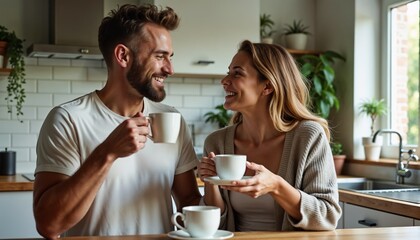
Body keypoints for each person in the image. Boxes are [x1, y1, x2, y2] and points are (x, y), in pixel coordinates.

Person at [33, 4, 201, 238]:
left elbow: (189, 201)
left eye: (170, 57)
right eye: (159, 56)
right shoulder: (68, 119)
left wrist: (217, 185)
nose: (170, 69)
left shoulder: (171, 120)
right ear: (123, 56)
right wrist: (107, 153)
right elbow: (49, 225)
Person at [197, 40, 341, 231]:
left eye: (237, 73)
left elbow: (327, 216)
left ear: (267, 86)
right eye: (228, 72)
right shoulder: (217, 142)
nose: (225, 81)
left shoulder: (308, 136)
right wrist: (211, 182)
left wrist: (277, 186)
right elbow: (214, 226)